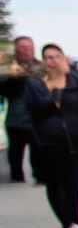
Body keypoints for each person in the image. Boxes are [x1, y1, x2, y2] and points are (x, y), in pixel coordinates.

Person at [24, 44, 78, 228]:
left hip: (76, 139)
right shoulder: (37, 84)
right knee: (55, 182)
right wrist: (54, 100)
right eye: (47, 57)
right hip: (49, 141)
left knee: (74, 182)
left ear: (63, 58)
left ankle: (74, 223)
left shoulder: (77, 82)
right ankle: (68, 225)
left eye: (55, 56)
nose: (51, 61)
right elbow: (35, 110)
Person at [1, 35, 44, 184]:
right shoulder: (7, 68)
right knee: (15, 150)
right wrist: (13, 77)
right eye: (22, 48)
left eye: (29, 47)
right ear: (16, 49)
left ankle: (40, 176)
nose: (26, 51)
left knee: (38, 149)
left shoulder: (42, 67)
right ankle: (16, 176)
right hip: (16, 117)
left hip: (37, 117)